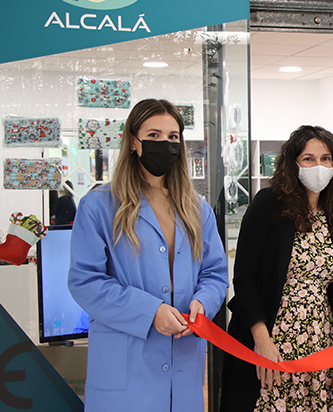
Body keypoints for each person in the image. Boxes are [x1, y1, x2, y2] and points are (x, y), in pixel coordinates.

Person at [67, 99, 229, 412]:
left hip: (184, 362)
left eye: (172, 137)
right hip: (127, 367)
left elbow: (215, 274)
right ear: (133, 141)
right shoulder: (99, 206)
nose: (164, 144)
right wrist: (150, 312)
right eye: (153, 136)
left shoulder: (198, 209)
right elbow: (85, 282)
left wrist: (203, 302)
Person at [220, 125, 333, 412]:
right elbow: (244, 278)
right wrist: (262, 339)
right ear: (292, 164)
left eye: (326, 159)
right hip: (273, 340)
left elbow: (322, 287)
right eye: (308, 159)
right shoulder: (268, 204)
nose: (318, 166)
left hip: (322, 346)